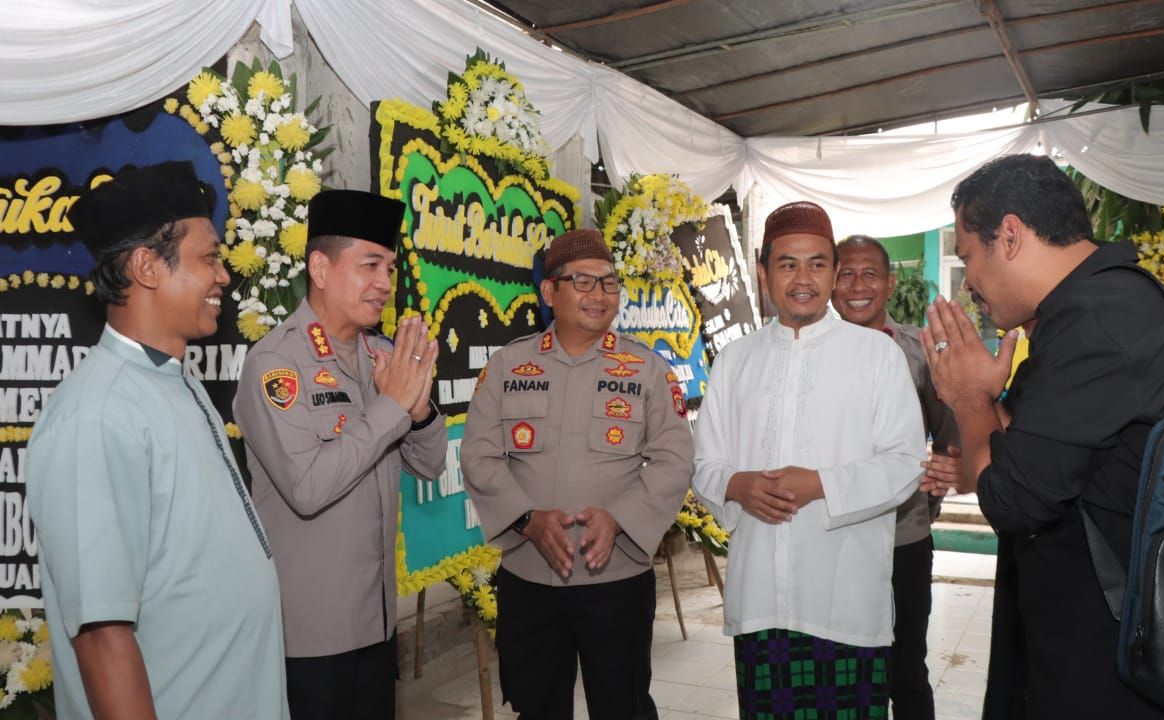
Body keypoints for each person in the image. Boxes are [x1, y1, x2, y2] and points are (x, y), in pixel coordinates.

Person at [921, 154, 1164, 719]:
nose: (969, 283)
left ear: (1010, 236)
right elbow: (1027, 455)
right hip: (1083, 641)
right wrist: (984, 399)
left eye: (968, 256)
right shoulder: (1083, 312)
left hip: (1111, 666)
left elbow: (1011, 498)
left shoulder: (1101, 319)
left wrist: (970, 401)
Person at [27, 161, 288, 719]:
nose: (224, 276)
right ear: (147, 266)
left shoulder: (174, 378)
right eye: (209, 258)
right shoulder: (96, 415)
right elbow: (102, 637)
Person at [692, 201, 924, 719]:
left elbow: (906, 463)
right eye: (788, 264)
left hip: (847, 603)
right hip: (760, 601)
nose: (803, 279)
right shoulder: (734, 360)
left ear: (834, 273)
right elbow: (704, 462)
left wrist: (820, 483)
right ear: (763, 273)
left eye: (817, 264)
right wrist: (736, 486)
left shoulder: (877, 356)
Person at [461, 228, 693, 719]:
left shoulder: (646, 369)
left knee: (623, 705)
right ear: (550, 291)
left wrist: (620, 519)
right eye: (583, 282)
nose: (599, 294)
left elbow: (674, 459)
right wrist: (527, 519)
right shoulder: (508, 365)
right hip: (529, 576)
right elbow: (479, 455)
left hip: (616, 578)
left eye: (609, 283)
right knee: (537, 707)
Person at [233, 189, 447, 720]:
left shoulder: (381, 354)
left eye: (390, 268)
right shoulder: (277, 362)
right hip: (311, 638)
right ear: (320, 269)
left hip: (376, 622)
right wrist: (391, 406)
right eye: (370, 265)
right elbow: (307, 488)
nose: (385, 283)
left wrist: (419, 411)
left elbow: (429, 465)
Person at [832, 235, 960, 720]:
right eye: (845, 273)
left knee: (906, 668)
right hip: (833, 539)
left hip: (901, 538)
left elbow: (948, 437)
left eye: (870, 274)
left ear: (890, 283)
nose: (857, 286)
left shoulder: (919, 353)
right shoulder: (808, 354)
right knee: (843, 670)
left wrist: (930, 497)